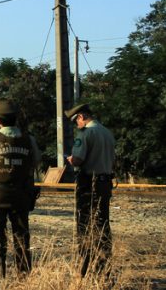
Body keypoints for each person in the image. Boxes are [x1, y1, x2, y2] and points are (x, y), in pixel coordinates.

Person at [0, 99, 41, 278]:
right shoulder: (28, 139)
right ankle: (23, 276)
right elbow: (36, 161)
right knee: (21, 234)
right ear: (16, 119)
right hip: (22, 194)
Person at [66, 103, 116, 277]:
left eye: (75, 121)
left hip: (89, 183)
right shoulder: (107, 133)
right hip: (105, 183)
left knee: (85, 224)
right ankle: (104, 263)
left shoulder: (86, 133)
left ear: (81, 116)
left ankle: (87, 263)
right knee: (102, 223)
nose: (76, 125)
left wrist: (71, 160)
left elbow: (79, 159)